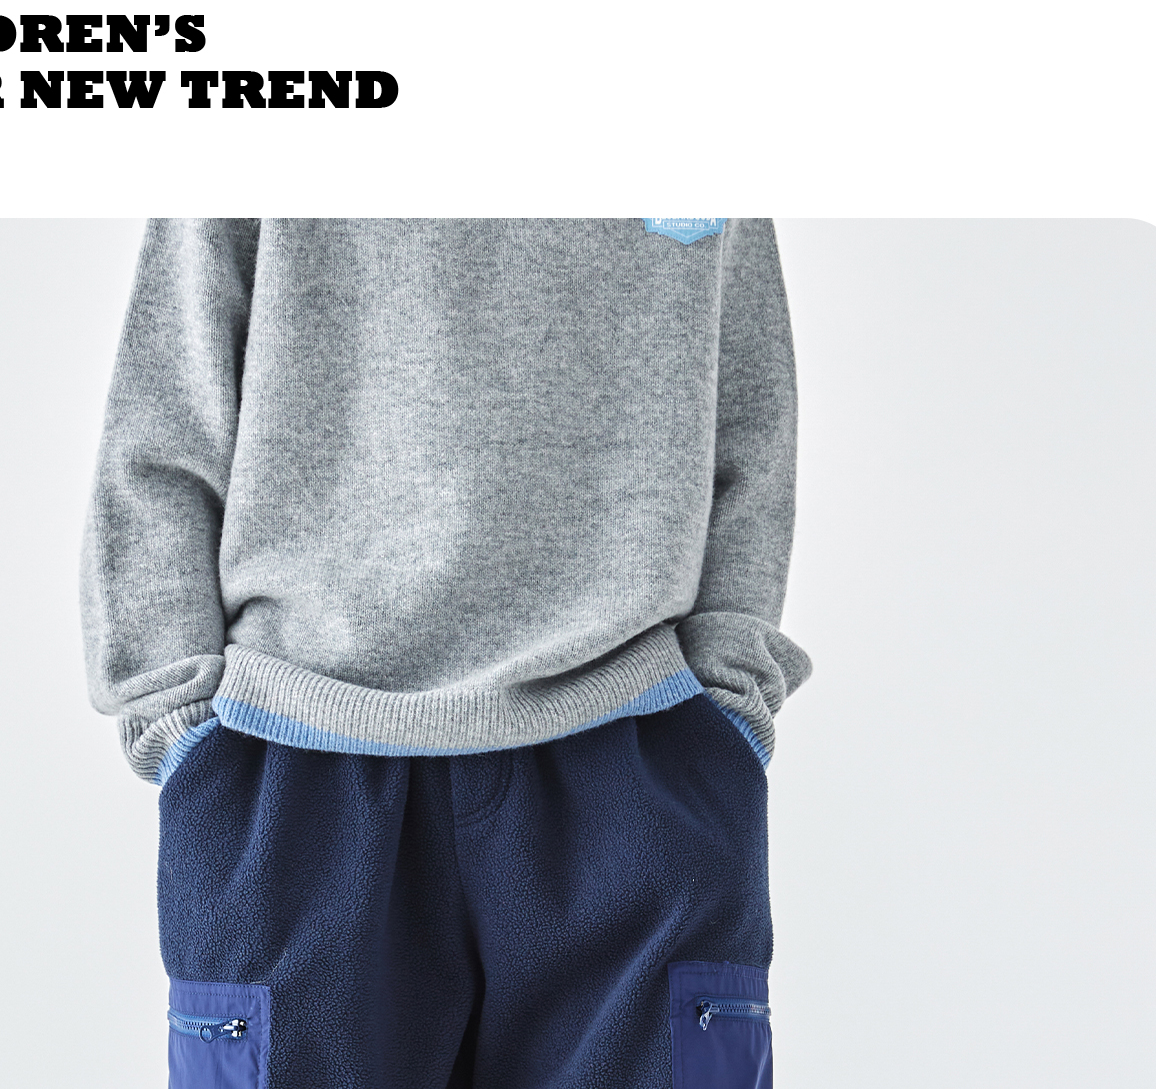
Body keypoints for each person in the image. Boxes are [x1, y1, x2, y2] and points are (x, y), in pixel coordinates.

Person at [81, 217, 811, 1089]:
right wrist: (179, 720)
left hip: (638, 756)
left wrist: (725, 703)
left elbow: (751, 419)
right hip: (297, 772)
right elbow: (165, 417)